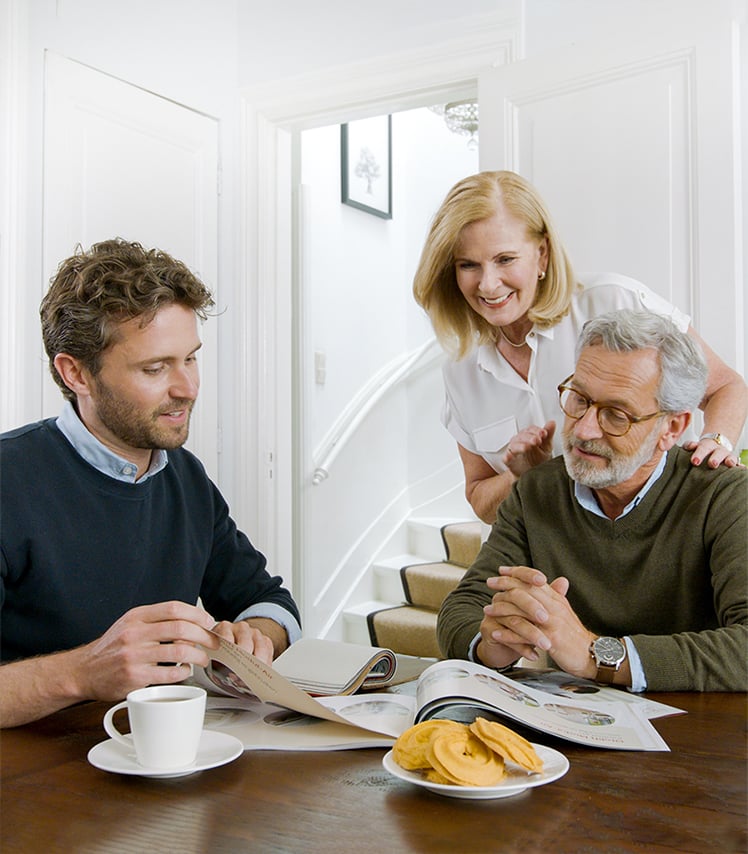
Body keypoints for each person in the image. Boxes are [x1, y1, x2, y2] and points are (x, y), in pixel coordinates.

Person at [0, 239, 302, 728]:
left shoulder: (186, 477)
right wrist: (81, 672)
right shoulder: (8, 480)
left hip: (160, 768)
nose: (187, 388)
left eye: (191, 359)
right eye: (155, 368)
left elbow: (270, 601)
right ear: (74, 372)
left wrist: (253, 636)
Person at [436, 309, 747, 692]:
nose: (583, 429)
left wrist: (593, 654)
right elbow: (462, 607)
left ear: (672, 427)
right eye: (579, 399)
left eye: (616, 415)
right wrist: (492, 642)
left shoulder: (726, 496)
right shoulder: (536, 490)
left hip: (699, 734)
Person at [413, 171, 747, 524]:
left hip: (666, 530)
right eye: (468, 265)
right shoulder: (460, 368)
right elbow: (480, 499)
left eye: (505, 259)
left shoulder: (614, 300)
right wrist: (522, 475)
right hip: (558, 555)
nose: (489, 284)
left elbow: (725, 386)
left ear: (542, 255)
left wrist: (717, 442)